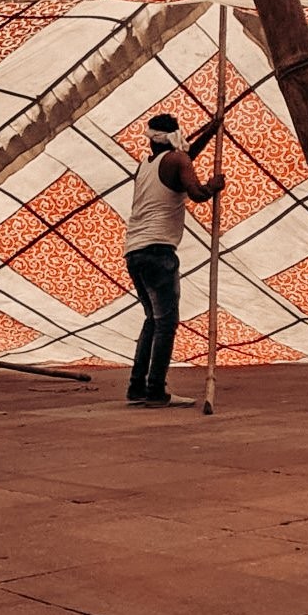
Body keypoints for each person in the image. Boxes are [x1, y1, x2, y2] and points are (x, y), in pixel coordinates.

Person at [123, 111, 225, 407]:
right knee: (166, 322)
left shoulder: (144, 165)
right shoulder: (177, 161)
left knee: (152, 320)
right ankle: (156, 390)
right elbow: (196, 193)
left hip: (135, 251)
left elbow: (185, 157)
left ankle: (136, 387)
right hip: (159, 252)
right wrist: (213, 186)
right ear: (173, 137)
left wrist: (210, 130)